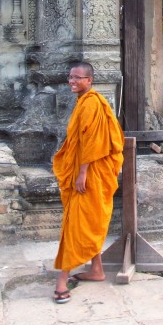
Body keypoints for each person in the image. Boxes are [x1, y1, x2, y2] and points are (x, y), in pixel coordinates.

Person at [52, 62, 124, 304]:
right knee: (87, 220)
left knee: (77, 224)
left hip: (91, 173)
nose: (72, 81)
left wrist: (82, 172)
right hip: (88, 170)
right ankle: (97, 270)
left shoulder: (93, 103)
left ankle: (61, 282)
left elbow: (93, 142)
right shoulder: (84, 102)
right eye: (70, 77)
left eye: (78, 78)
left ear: (89, 80)